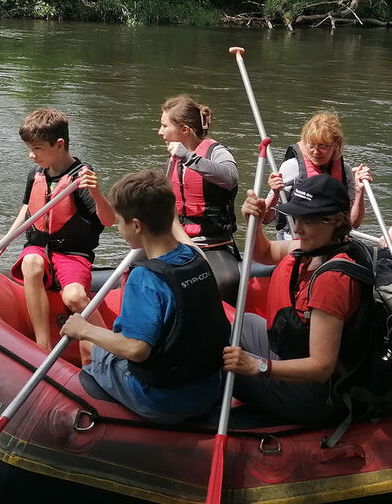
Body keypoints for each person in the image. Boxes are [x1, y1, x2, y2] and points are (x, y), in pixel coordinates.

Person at [60, 170, 228, 423]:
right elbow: (179, 234)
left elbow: (136, 349)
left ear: (137, 225)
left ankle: (92, 411)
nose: (118, 229)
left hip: (161, 401)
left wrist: (84, 329)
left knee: (92, 348)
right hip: (206, 391)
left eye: (119, 222)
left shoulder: (145, 278)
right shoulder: (196, 259)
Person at [222, 175, 369, 426]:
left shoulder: (333, 279)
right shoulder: (313, 247)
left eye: (307, 220)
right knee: (241, 322)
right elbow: (264, 252)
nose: (297, 227)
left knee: (220, 370)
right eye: (297, 217)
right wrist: (254, 224)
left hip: (315, 394)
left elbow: (321, 366)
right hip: (293, 353)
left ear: (335, 221)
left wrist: (258, 366)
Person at [0, 107, 115, 350]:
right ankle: (42, 345)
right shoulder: (36, 175)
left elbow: (108, 220)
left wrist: (96, 192)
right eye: (29, 149)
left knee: (74, 297)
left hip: (72, 253)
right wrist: (3, 242)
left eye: (37, 149)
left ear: (59, 144)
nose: (31, 155)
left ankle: (109, 346)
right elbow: (28, 210)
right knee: (30, 261)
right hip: (39, 247)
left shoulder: (81, 178)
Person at [158, 95, 241, 301]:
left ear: (184, 130)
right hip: (177, 238)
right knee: (138, 271)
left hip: (212, 243)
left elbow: (230, 177)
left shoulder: (216, 152)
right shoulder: (172, 158)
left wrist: (189, 157)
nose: (160, 132)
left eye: (164, 126)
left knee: (226, 279)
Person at [264, 111, 369, 239]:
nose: (315, 152)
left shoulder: (345, 171)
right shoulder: (292, 167)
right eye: (311, 145)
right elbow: (265, 219)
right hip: (294, 240)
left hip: (331, 243)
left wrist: (359, 190)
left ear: (336, 145)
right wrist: (275, 195)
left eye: (323, 146)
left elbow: (354, 223)